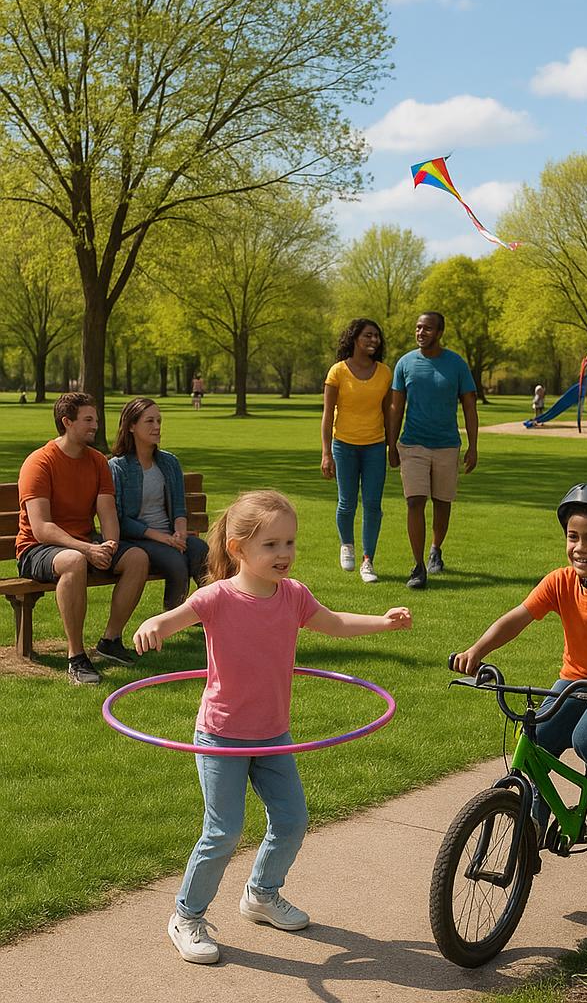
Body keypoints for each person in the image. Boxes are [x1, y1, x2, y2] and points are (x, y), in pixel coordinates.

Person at [132, 489, 412, 965]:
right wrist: (154, 625)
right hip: (221, 734)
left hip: (272, 733)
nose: (284, 554)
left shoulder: (294, 596)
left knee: (291, 820)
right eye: (271, 546)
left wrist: (383, 622)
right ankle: (186, 915)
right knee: (223, 832)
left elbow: (336, 623)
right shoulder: (217, 597)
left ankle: (261, 894)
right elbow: (172, 618)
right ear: (239, 548)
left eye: (290, 543)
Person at [451, 482, 587, 844]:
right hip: (575, 681)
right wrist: (476, 651)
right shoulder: (560, 582)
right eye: (573, 537)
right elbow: (514, 619)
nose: (580, 548)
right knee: (537, 739)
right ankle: (534, 818)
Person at [15, 392, 149, 684]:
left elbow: (108, 512)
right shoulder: (39, 462)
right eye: (88, 420)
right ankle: (76, 657)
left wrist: (110, 544)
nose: (95, 425)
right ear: (67, 422)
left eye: (96, 420)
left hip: (85, 542)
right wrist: (87, 549)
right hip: (37, 549)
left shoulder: (98, 461)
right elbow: (42, 528)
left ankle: (110, 641)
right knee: (74, 561)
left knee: (137, 557)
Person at [387, 311, 478, 590]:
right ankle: (418, 566)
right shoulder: (404, 363)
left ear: (439, 332)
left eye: (426, 328)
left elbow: (469, 407)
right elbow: (396, 407)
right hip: (412, 443)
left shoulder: (456, 364)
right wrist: (391, 444)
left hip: (447, 445)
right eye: (417, 328)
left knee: (442, 502)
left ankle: (436, 548)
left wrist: (473, 446)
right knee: (414, 501)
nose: (420, 332)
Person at [108, 398, 209, 610]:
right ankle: (173, 616)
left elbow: (179, 507)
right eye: (150, 421)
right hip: (139, 540)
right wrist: (161, 537)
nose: (157, 427)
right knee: (176, 561)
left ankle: (211, 610)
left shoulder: (169, 462)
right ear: (132, 426)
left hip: (170, 536)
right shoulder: (118, 467)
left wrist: (179, 533)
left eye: (159, 421)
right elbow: (120, 520)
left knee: (200, 549)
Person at [320, 319, 393, 583]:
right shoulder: (337, 372)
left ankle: (368, 561)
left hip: (375, 445)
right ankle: (347, 545)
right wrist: (326, 453)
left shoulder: (385, 372)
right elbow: (327, 416)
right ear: (354, 339)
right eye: (368, 336)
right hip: (344, 446)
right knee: (347, 502)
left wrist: (391, 446)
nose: (373, 340)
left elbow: (389, 412)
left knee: (373, 505)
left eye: (377, 337)